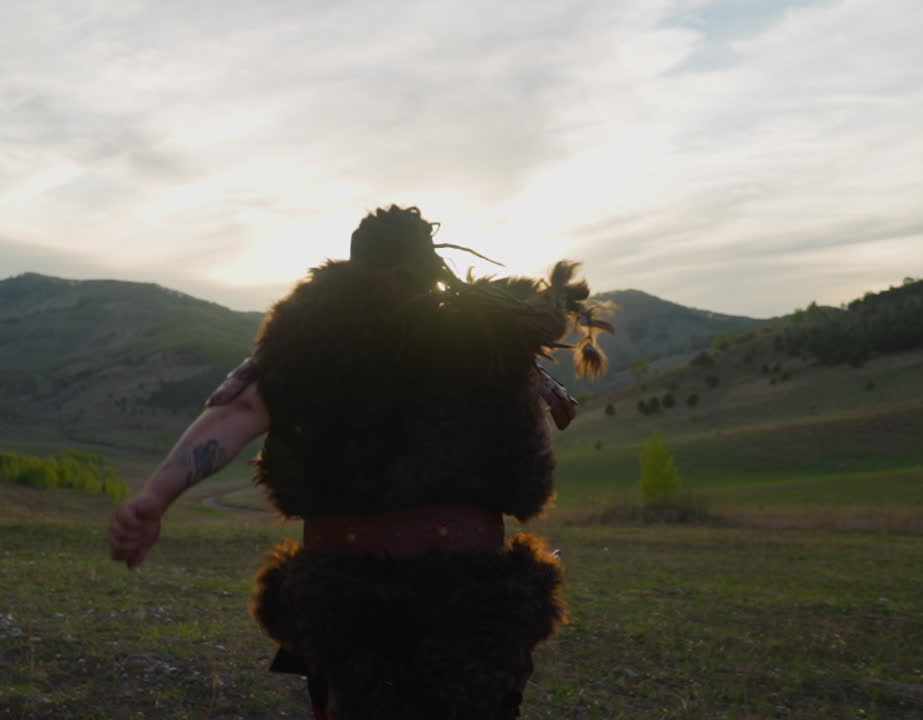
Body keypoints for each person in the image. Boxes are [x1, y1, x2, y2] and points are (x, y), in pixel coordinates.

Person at [110, 205, 611, 719]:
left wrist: (157, 496)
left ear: (354, 266)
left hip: (384, 598)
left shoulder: (322, 336)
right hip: (436, 599)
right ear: (432, 267)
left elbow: (239, 410)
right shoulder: (486, 336)